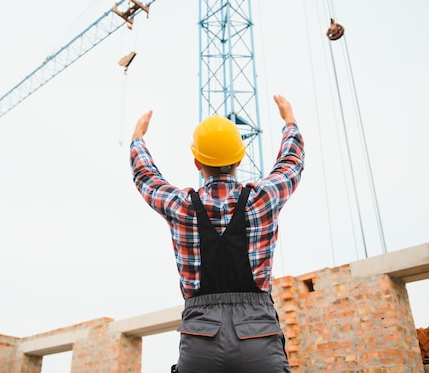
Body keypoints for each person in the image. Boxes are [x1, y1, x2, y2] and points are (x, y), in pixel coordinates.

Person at [129, 94, 305, 373]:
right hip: (258, 336)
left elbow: (146, 177)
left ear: (197, 162)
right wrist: (289, 120)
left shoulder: (181, 206)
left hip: (201, 339)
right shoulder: (263, 199)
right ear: (240, 157)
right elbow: (290, 164)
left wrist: (138, 138)